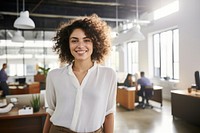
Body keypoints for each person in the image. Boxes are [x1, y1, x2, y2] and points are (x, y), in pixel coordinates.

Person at [43, 14, 117, 133]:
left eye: (87, 40)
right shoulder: (54, 75)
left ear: (96, 44)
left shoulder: (108, 75)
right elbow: (51, 111)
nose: (80, 45)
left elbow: (109, 113)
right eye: (74, 40)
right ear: (67, 44)